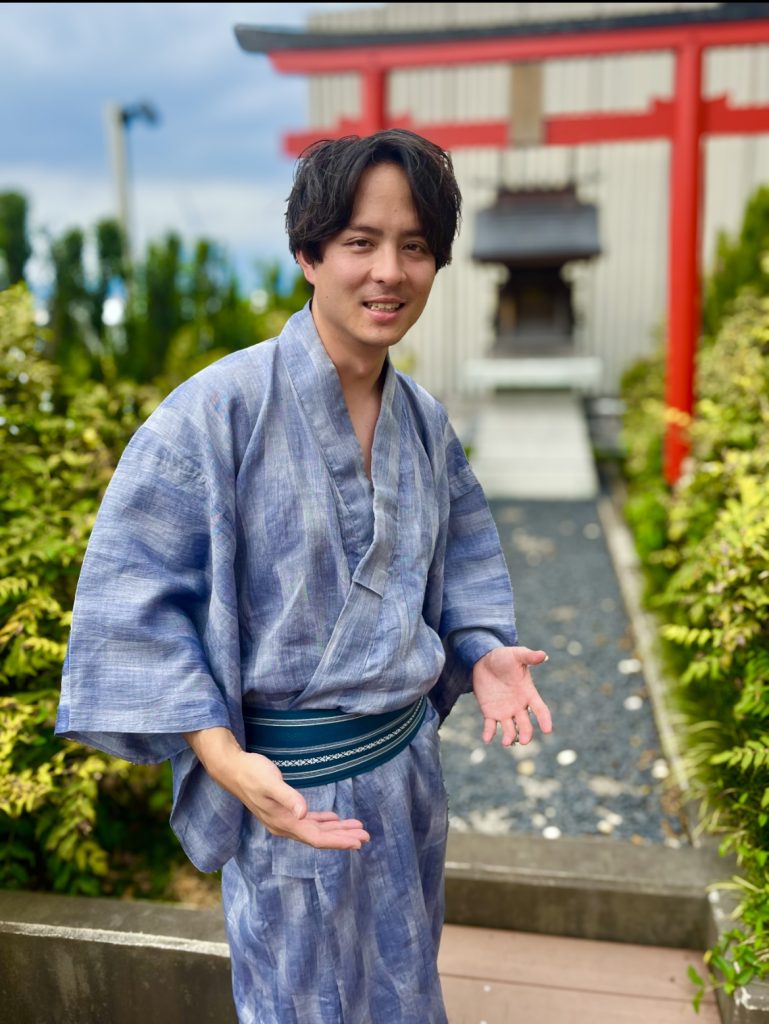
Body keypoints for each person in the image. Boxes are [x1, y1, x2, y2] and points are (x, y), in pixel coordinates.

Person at [56, 129, 552, 1024]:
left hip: (406, 778)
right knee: (299, 1005)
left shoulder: (424, 422)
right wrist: (225, 762)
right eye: (360, 242)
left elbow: (463, 567)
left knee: (405, 990)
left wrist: (482, 652)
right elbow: (134, 607)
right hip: (284, 790)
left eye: (413, 246)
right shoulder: (214, 412)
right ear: (308, 254)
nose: (388, 272)